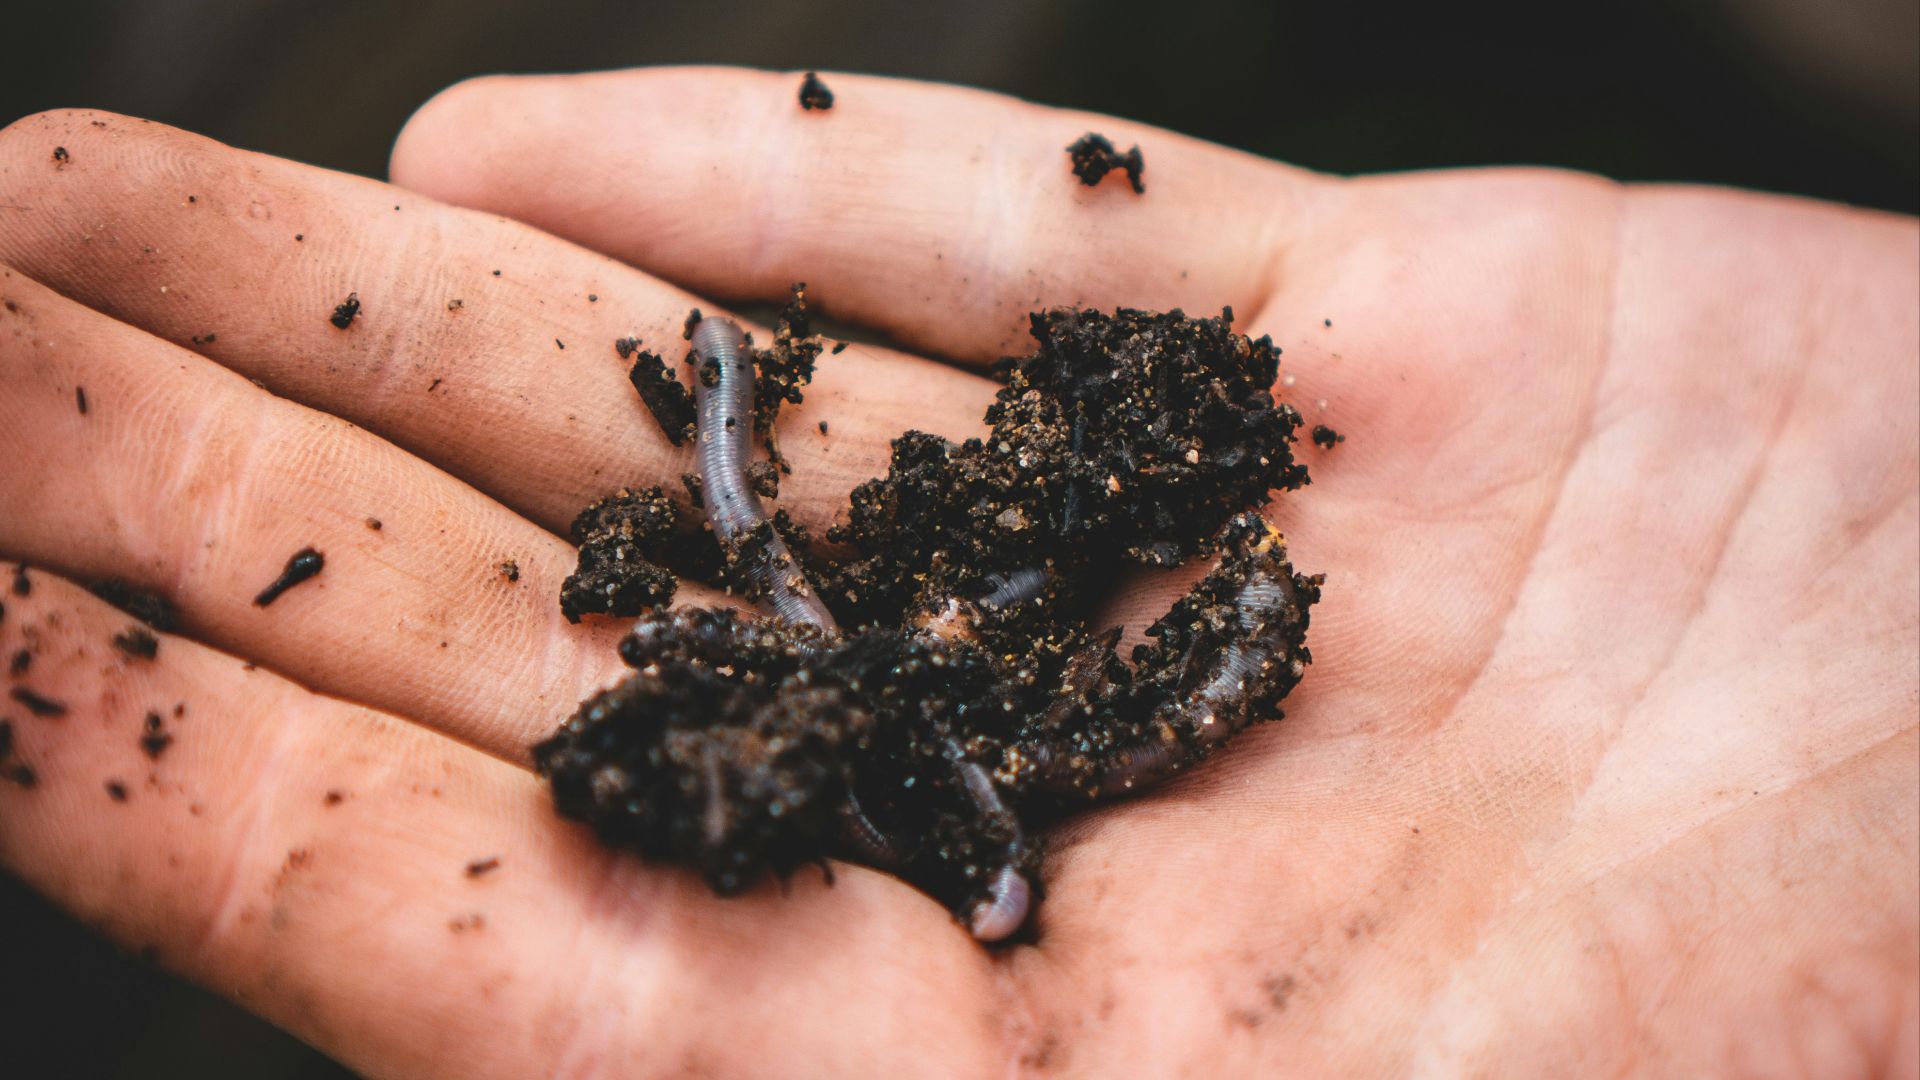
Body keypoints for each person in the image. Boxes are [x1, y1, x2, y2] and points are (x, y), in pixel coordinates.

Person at [0, 68, 1912, 1077]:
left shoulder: (927, 683)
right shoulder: (864, 665)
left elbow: (883, 708)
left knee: (765, 550)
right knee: (756, 544)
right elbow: (802, 632)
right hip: (874, 660)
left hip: (899, 669)